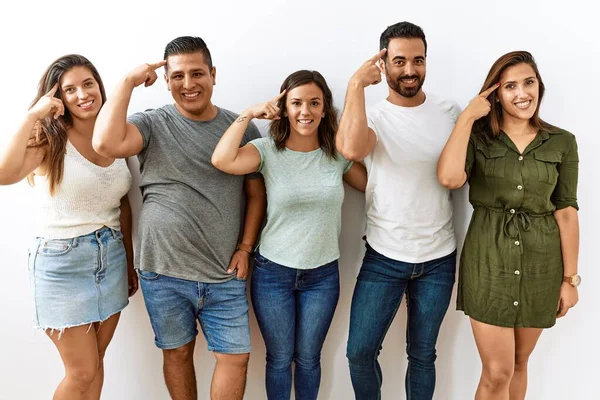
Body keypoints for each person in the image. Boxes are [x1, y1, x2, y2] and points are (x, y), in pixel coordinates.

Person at [92, 36, 266, 400]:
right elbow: (105, 145)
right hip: (163, 270)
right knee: (177, 353)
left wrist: (246, 247)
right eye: (178, 76)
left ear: (213, 74)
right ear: (167, 80)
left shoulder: (241, 128)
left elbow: (255, 194)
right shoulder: (153, 123)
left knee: (235, 357)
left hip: (224, 271)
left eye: (197, 73)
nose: (188, 84)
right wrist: (126, 82)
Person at [212, 69, 367, 400]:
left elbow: (375, 187)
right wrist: (250, 113)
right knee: (280, 360)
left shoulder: (337, 154)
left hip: (323, 274)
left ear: (325, 109)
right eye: (296, 103)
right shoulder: (266, 150)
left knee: (309, 360)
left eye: (314, 103)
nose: (305, 111)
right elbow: (223, 159)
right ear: (283, 107)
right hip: (273, 274)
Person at [437, 50, 580, 399]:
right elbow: (449, 177)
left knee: (518, 363)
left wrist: (569, 280)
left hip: (541, 266)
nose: (522, 93)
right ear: (496, 94)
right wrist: (467, 118)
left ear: (539, 86)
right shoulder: (478, 136)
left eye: (528, 83)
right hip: (488, 263)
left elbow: (566, 211)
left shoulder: (562, 141)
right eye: (511, 86)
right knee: (497, 372)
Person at [0, 54, 136, 400]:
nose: (82, 94)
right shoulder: (50, 140)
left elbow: (122, 203)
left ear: (99, 86)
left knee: (97, 363)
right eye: (70, 89)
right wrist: (34, 115)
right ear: (57, 98)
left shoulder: (116, 137)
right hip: (62, 264)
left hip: (112, 258)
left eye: (88, 84)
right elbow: (4, 174)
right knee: (82, 372)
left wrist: (130, 260)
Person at [337, 22, 460, 400]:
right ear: (384, 63)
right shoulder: (373, 117)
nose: (410, 70)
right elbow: (352, 150)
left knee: (423, 355)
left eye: (418, 60)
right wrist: (356, 85)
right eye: (400, 61)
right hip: (384, 256)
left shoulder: (448, 111)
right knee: (359, 353)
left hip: (438, 256)